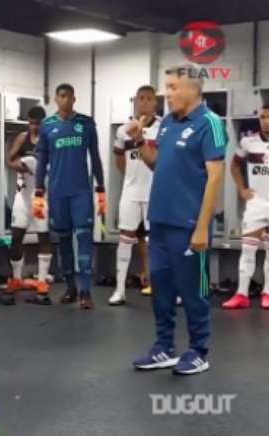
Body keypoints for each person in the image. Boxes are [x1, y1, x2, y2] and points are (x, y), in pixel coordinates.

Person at [132, 65, 226, 375]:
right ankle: (164, 348)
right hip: (159, 221)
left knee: (192, 292)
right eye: (167, 87)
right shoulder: (168, 122)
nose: (166, 94)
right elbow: (157, 163)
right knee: (161, 289)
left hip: (188, 225)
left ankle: (199, 350)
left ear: (192, 89)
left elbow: (214, 179)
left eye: (172, 87)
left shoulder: (209, 123)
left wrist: (202, 227)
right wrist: (138, 141)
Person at [34, 84, 105, 310]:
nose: (65, 100)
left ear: (74, 98)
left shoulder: (85, 123)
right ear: (56, 99)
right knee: (63, 241)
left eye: (68, 96)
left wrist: (101, 187)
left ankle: (85, 291)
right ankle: (70, 288)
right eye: (61, 96)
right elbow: (41, 161)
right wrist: (38, 190)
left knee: (84, 240)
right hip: (57, 193)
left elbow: (95, 156)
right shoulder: (47, 126)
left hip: (81, 192)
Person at [109, 86, 161, 305]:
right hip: (130, 191)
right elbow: (119, 157)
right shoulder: (123, 130)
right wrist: (130, 176)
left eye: (150, 99)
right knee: (125, 239)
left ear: (155, 103)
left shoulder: (163, 127)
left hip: (154, 191)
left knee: (156, 242)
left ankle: (159, 288)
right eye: (141, 98)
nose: (145, 103)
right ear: (136, 101)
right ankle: (120, 290)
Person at [222, 104, 269, 310]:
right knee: (248, 249)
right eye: (263, 117)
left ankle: (267, 293)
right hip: (256, 203)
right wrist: (242, 189)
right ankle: (241, 294)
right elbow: (233, 165)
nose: (266, 121)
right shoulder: (248, 142)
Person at [6, 106, 53, 305]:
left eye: (37, 124)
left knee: (43, 236)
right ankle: (16, 278)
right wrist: (22, 165)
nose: (34, 127)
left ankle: (42, 281)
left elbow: (55, 164)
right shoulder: (22, 138)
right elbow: (9, 160)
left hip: (40, 196)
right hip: (22, 194)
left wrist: (40, 166)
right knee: (16, 237)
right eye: (31, 123)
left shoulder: (49, 139)